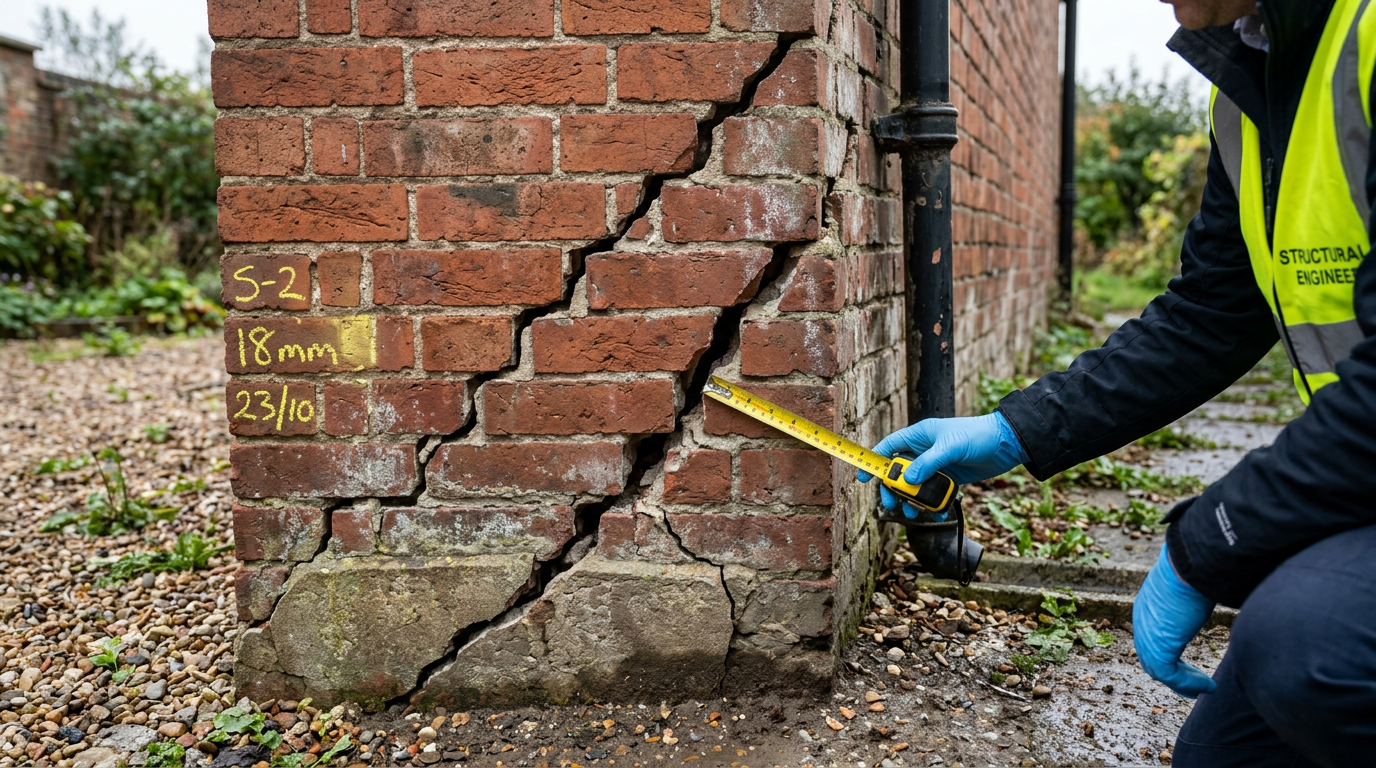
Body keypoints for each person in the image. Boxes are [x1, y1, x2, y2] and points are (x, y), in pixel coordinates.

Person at [859, 0, 1376, 765]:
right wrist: (1014, 432)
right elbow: (1208, 313)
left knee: (1305, 650)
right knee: (1227, 753)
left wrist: (1205, 544)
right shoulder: (1252, 82)